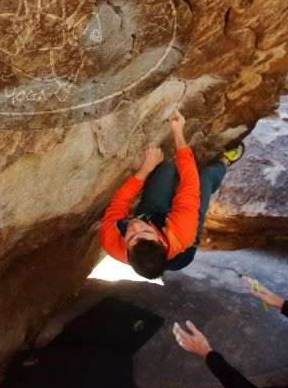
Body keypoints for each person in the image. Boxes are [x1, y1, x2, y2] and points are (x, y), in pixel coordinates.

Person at [99, 108, 244, 279]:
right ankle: (225, 162)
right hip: (181, 246)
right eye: (145, 232)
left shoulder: (112, 242)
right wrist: (178, 133)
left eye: (131, 236)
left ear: (126, 251)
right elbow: (190, 186)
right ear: (160, 240)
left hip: (152, 217)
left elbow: (120, 202)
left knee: (166, 166)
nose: (135, 226)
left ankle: (165, 191)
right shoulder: (183, 234)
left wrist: (147, 167)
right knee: (204, 178)